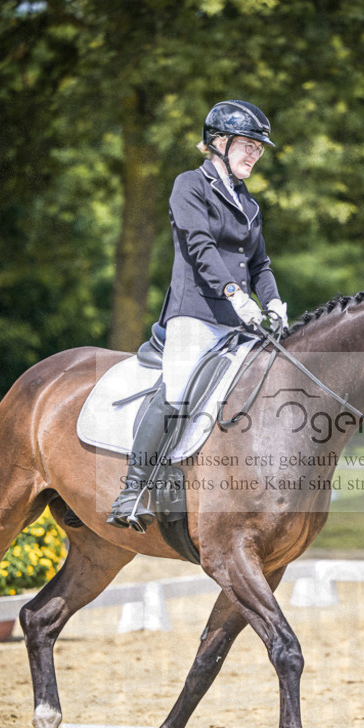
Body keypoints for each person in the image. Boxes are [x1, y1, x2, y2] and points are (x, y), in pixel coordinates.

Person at [107, 99, 288, 531]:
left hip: (239, 321)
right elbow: (200, 246)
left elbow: (259, 264)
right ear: (218, 142)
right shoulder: (190, 184)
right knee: (178, 389)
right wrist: (232, 293)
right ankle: (133, 491)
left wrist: (274, 301)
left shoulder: (249, 203)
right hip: (196, 313)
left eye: (259, 149)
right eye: (247, 145)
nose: (254, 155)